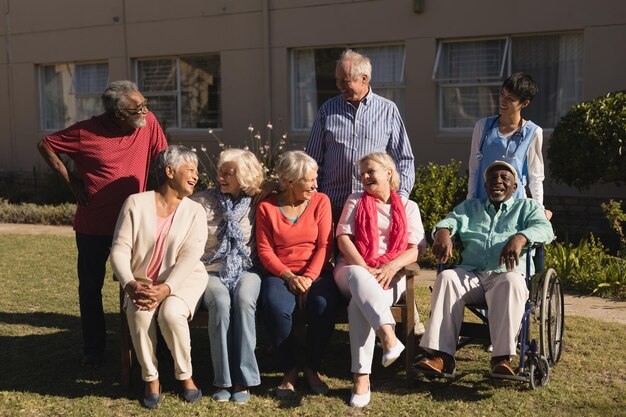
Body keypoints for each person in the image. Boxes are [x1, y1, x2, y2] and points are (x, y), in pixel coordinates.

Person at [36, 80, 167, 367]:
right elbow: (45, 145)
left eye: (145, 105)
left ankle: (148, 343)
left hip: (135, 224)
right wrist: (72, 182)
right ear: (119, 114)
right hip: (94, 225)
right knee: (90, 287)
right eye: (138, 108)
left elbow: (161, 162)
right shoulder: (85, 132)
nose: (146, 112)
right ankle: (94, 349)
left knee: (144, 282)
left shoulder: (149, 123)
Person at [416, 160, 554, 377]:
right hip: (472, 274)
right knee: (447, 278)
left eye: (504, 178)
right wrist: (442, 231)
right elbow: (448, 221)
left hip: (506, 275)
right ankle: (441, 356)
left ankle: (501, 359)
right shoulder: (470, 208)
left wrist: (521, 237)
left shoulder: (527, 207)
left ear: (514, 187)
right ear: (485, 184)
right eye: (492, 178)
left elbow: (545, 230)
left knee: (511, 282)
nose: (497, 181)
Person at [110, 145, 207, 409]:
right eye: (190, 169)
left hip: (183, 280)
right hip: (140, 283)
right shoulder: (135, 203)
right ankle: (151, 378)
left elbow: (191, 256)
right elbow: (119, 248)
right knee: (140, 314)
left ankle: (185, 375)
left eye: (197, 171)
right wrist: (129, 284)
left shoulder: (195, 211)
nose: (196, 176)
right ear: (169, 171)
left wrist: (167, 288)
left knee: (170, 314)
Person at [334, 152, 426, 407]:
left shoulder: (409, 207)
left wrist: (391, 266)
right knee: (359, 281)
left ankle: (361, 378)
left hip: (391, 274)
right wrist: (365, 268)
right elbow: (343, 238)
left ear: (388, 173)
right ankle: (388, 337)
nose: (364, 177)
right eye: (362, 173)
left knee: (358, 306)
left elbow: (417, 248)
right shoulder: (355, 200)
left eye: (370, 171)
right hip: (351, 269)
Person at [256, 151, 338, 398]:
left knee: (322, 303)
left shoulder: (320, 201)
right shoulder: (267, 206)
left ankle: (313, 368)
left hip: (317, 272)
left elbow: (325, 245)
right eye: (309, 180)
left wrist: (309, 278)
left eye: (316, 179)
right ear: (290, 182)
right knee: (274, 305)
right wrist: (290, 277)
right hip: (281, 273)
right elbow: (264, 250)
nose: (315, 184)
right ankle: (289, 369)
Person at [189, 149, 265, 404]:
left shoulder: (258, 202)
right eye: (220, 171)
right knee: (221, 303)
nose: (220, 176)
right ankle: (223, 379)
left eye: (228, 172)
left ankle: (243, 379)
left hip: (247, 268)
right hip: (210, 269)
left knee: (244, 300)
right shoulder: (201, 202)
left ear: (243, 176)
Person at [306, 49, 415, 223]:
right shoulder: (327, 110)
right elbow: (312, 161)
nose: (339, 85)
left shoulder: (388, 110)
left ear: (363, 79)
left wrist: (399, 198)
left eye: (345, 81)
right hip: (333, 207)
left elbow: (404, 158)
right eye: (337, 80)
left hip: (375, 207)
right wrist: (314, 199)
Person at [467, 73, 545, 206]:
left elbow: (535, 177)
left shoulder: (533, 132)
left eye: (510, 99)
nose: (503, 101)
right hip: (482, 205)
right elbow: (474, 169)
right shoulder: (482, 127)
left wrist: (538, 211)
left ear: (524, 103)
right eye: (502, 94)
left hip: (515, 208)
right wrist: (469, 203)